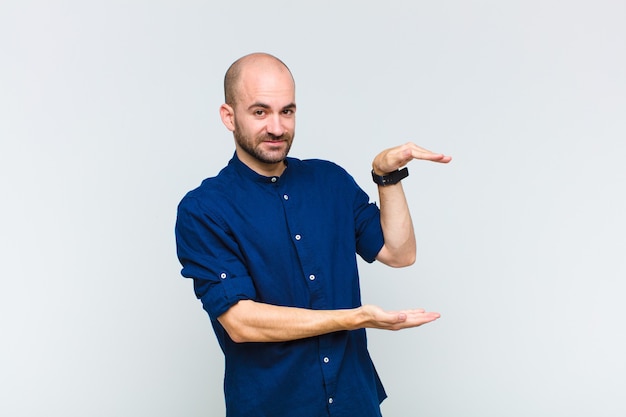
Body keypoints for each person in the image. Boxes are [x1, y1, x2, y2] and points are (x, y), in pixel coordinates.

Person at [175, 52, 451, 417]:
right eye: (260, 112)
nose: (276, 126)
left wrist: (387, 177)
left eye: (286, 111)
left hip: (355, 403)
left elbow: (399, 253)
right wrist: (352, 318)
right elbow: (240, 322)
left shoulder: (330, 181)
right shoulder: (205, 209)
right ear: (229, 116)